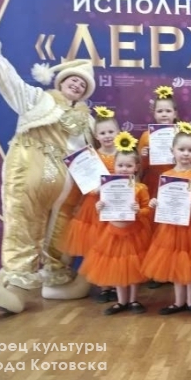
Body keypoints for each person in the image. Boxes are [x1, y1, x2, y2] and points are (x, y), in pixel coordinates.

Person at [0, 20, 95, 314]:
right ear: (61, 82)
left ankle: (57, 276)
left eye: (82, 84)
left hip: (67, 188)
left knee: (61, 232)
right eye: (73, 80)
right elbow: (10, 82)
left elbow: (92, 155)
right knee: (23, 225)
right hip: (31, 172)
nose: (77, 85)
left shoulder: (88, 120)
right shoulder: (38, 99)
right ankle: (14, 286)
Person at [141, 122, 191, 315]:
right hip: (172, 228)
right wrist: (154, 202)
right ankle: (178, 301)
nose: (186, 154)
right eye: (181, 149)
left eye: (190, 150)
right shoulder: (166, 175)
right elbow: (162, 199)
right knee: (176, 261)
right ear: (173, 150)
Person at [80, 132, 153, 315]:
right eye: (120, 165)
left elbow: (147, 210)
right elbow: (103, 211)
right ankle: (121, 301)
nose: (124, 169)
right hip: (113, 234)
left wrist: (139, 210)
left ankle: (133, 300)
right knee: (118, 267)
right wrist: (99, 207)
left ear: (136, 167)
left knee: (134, 268)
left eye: (129, 166)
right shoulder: (108, 187)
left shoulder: (141, 188)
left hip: (134, 233)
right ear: (114, 166)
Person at [62, 106, 119, 303]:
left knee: (114, 247)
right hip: (94, 208)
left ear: (118, 132)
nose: (107, 136)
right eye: (102, 133)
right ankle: (104, 286)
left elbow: (132, 177)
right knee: (98, 247)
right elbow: (83, 180)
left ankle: (116, 284)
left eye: (111, 131)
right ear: (96, 135)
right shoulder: (91, 156)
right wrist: (91, 189)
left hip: (116, 207)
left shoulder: (123, 154)